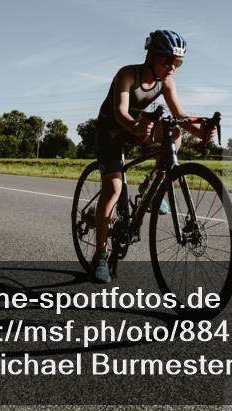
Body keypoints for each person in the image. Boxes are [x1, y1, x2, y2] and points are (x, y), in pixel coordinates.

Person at [89, 30, 215, 284]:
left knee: (175, 131)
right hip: (111, 130)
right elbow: (120, 112)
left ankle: (151, 184)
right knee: (113, 189)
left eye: (177, 63)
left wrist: (202, 132)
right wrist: (135, 127)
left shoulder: (166, 81)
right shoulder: (128, 74)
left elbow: (179, 114)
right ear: (150, 56)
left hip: (137, 126)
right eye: (166, 61)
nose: (172, 67)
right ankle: (101, 256)